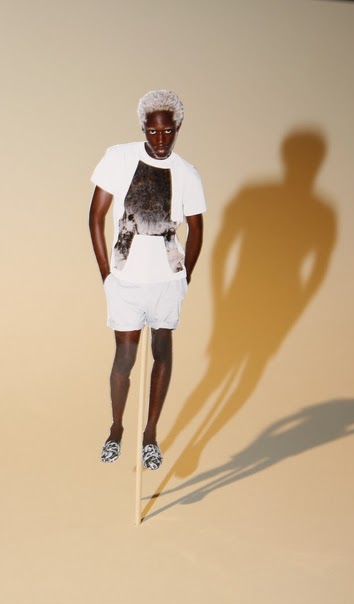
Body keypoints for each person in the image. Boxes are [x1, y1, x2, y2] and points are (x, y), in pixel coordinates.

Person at [88, 90, 206, 470]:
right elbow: (95, 217)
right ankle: (116, 428)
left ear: (178, 128)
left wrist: (185, 276)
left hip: (166, 280)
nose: (161, 139)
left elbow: (197, 228)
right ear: (142, 128)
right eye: (153, 132)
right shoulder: (118, 158)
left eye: (168, 131)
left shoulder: (187, 173)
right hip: (125, 278)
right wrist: (107, 274)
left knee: (162, 351)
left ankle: (150, 435)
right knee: (124, 356)